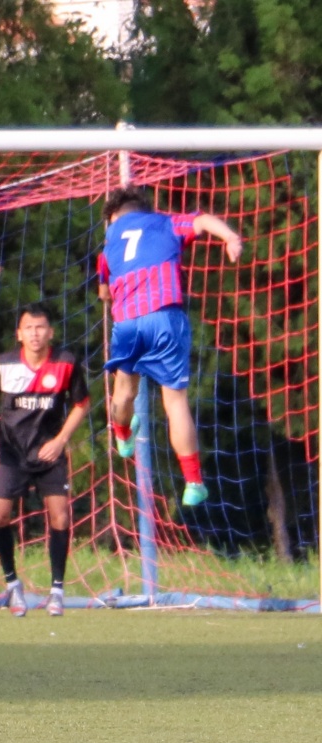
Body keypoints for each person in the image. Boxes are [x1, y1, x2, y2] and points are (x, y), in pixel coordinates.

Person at [98, 185, 243, 507]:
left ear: (113, 217)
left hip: (128, 321)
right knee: (175, 402)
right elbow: (202, 220)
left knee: (123, 392)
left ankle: (122, 434)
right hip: (164, 314)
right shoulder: (164, 222)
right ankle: (193, 483)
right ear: (143, 209)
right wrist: (230, 238)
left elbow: (104, 292)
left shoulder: (109, 243)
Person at [0, 303, 90, 617]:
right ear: (19, 334)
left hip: (49, 453)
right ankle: (13, 584)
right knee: (0, 516)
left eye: (40, 328)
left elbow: (82, 404)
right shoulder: (4, 363)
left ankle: (57, 591)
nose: (35, 333)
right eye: (29, 328)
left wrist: (60, 440)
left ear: (50, 332)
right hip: (12, 453)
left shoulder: (66, 363)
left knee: (60, 518)